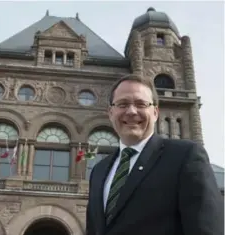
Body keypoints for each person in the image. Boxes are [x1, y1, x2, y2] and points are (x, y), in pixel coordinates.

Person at [86, 74, 223, 235]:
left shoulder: (185, 156)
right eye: (122, 104)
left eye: (141, 104)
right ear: (110, 112)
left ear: (155, 112)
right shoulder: (99, 171)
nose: (131, 111)